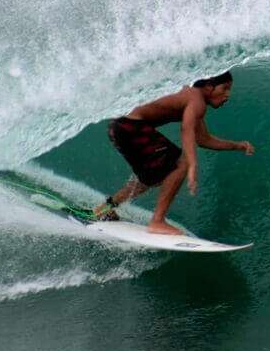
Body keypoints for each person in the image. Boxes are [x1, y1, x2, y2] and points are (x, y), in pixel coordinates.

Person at [92, 71, 254, 235]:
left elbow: (204, 139)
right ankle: (157, 222)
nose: (227, 95)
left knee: (153, 176)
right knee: (179, 164)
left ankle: (104, 209)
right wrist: (192, 165)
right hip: (130, 126)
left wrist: (237, 145)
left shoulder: (192, 100)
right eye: (225, 88)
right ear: (208, 86)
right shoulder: (196, 100)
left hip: (119, 127)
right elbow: (186, 130)